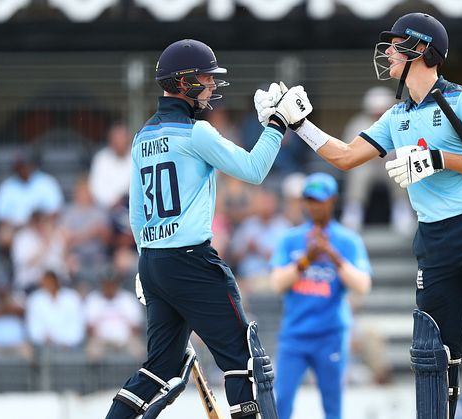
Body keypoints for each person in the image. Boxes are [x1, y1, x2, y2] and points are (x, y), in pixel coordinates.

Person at [255, 12, 462, 419]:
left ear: (422, 50)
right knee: (433, 348)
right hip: (433, 239)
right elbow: (344, 157)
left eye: (397, 45)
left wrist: (436, 159)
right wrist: (298, 124)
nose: (390, 52)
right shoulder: (396, 117)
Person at [104, 39, 310, 419]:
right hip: (191, 261)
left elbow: (136, 214)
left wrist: (144, 262)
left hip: (153, 262)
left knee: (158, 368)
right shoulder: (196, 133)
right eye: (206, 77)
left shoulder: (141, 138)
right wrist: (277, 125)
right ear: (185, 83)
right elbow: (254, 170)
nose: (212, 85)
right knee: (243, 360)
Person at [270, 172, 371, 419]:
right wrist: (307, 259)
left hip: (331, 334)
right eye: (309, 199)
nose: (313, 206)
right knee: (280, 402)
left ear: (332, 200)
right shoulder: (291, 238)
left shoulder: (347, 240)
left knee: (332, 404)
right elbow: (277, 284)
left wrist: (332, 255)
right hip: (294, 334)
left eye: (319, 200)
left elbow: (362, 285)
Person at [339, 86, 414, 234]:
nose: (378, 115)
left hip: (391, 164)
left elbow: (405, 146)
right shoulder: (358, 123)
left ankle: (401, 210)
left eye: (381, 111)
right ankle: (354, 211)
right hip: (366, 165)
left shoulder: (399, 120)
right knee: (358, 173)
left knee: (400, 167)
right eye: (375, 112)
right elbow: (349, 149)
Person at [89, 121, 132, 209]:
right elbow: (96, 187)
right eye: (115, 139)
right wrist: (113, 201)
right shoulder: (101, 158)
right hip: (105, 209)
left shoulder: (136, 156)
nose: (118, 142)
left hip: (131, 206)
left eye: (121, 138)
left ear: (128, 139)